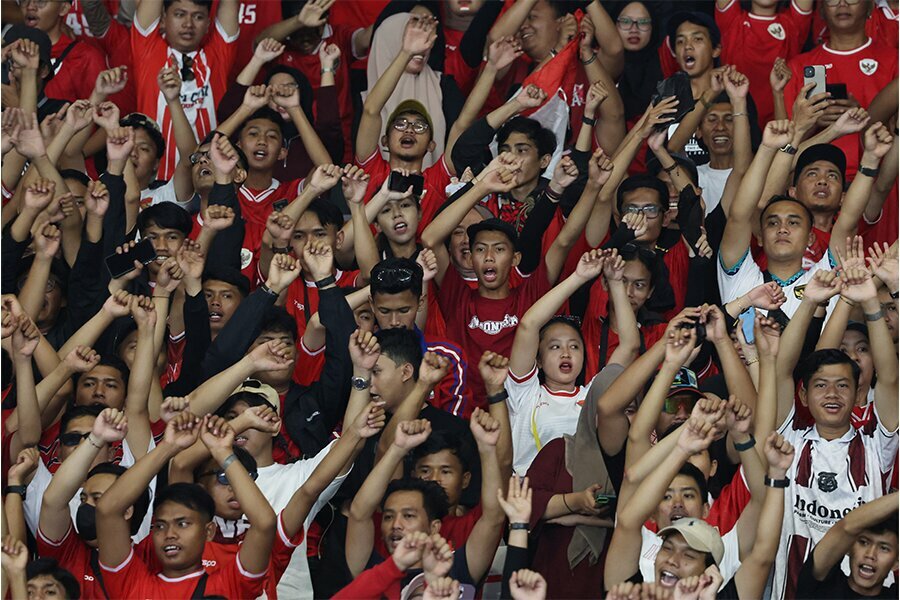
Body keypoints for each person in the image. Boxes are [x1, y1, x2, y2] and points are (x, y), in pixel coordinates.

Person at [95, 412, 276, 598]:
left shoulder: (228, 585)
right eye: (160, 526)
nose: (169, 534)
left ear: (209, 531)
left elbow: (265, 523)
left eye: (182, 524)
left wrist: (224, 452)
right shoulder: (132, 584)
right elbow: (107, 509)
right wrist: (168, 447)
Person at [131, 0, 240, 179]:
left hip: (207, 178)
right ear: (163, 19)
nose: (188, 24)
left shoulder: (218, 55)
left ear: (208, 24)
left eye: (198, 17)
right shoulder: (148, 51)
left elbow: (229, 5)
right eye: (179, 15)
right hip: (156, 179)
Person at [795, 492, 898, 599]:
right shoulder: (821, 585)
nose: (870, 554)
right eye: (863, 542)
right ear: (848, 547)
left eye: (884, 548)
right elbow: (846, 527)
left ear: (897, 562)